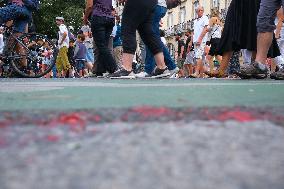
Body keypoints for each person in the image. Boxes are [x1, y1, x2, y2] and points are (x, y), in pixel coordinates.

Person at [109, 0, 170, 79]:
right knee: (147, 33)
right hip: (152, 2)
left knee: (128, 28)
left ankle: (127, 68)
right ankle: (162, 67)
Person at [136, 0, 178, 78]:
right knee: (154, 39)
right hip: (159, 6)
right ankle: (171, 66)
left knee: (150, 39)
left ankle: (148, 70)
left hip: (155, 6)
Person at [84, 0, 118, 76]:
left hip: (98, 17)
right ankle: (99, 70)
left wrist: (85, 18)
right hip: (110, 19)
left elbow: (89, 6)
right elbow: (113, 8)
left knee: (101, 45)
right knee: (104, 46)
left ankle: (114, 68)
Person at [192, 6, 209, 78]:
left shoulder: (205, 18)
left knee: (198, 56)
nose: (200, 11)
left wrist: (200, 39)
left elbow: (205, 29)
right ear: (196, 12)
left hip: (201, 40)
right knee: (200, 57)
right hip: (195, 41)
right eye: (199, 10)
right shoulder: (195, 21)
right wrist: (190, 42)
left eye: (202, 10)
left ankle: (196, 72)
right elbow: (193, 32)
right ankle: (202, 74)